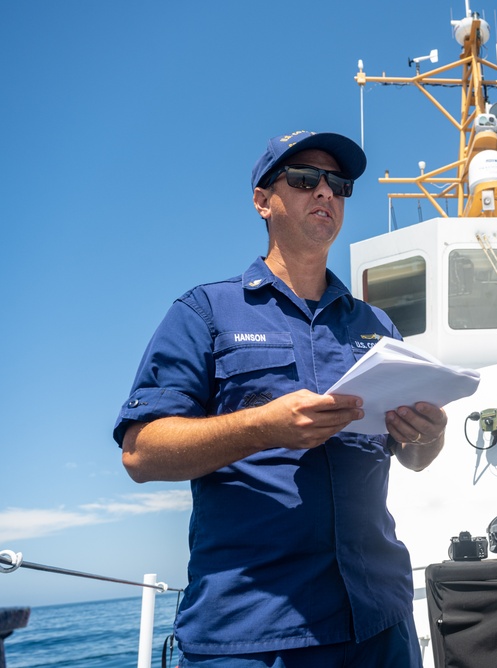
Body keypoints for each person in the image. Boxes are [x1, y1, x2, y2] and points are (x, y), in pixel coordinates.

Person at [113, 130, 446, 667]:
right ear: (263, 201)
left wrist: (428, 434)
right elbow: (141, 452)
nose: (325, 193)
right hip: (251, 631)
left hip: (378, 624)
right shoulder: (204, 312)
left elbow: (412, 456)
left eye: (338, 184)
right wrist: (263, 427)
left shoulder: (376, 325)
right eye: (304, 179)